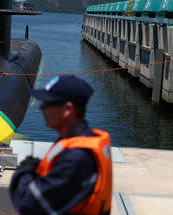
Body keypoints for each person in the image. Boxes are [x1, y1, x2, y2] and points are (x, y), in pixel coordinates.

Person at [9, 75, 112, 215]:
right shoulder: (81, 138)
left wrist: (24, 172)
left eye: (47, 103)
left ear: (67, 109)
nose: (40, 108)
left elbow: (28, 204)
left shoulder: (77, 157)